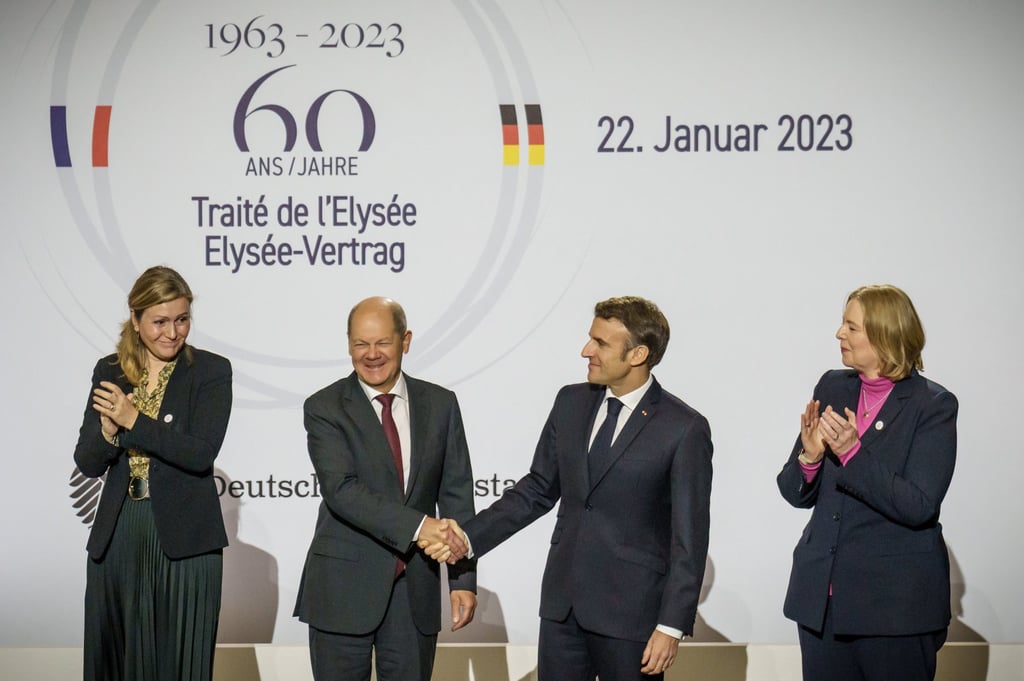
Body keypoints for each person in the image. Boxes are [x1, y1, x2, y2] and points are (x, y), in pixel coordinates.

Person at [425, 295, 713, 680]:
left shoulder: (683, 427)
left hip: (633, 619)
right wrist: (466, 538)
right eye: (590, 338)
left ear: (638, 354)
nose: (586, 350)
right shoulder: (571, 401)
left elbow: (689, 538)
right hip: (562, 610)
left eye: (601, 343)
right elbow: (537, 490)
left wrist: (671, 626)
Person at [777, 284, 958, 681]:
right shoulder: (832, 386)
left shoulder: (933, 405)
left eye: (851, 327)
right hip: (821, 604)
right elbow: (793, 491)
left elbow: (919, 505)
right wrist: (810, 457)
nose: (839, 333)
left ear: (884, 334)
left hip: (894, 609)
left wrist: (853, 454)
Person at [294, 296, 477, 681]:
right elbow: (341, 491)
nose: (371, 354)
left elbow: (456, 494)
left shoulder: (441, 403)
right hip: (342, 589)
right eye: (360, 344)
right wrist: (421, 527)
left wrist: (462, 578)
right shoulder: (325, 406)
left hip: (415, 590)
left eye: (382, 342)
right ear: (348, 344)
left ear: (405, 341)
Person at [73, 265, 233, 681]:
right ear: (135, 317)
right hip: (120, 532)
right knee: (117, 659)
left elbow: (200, 453)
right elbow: (88, 462)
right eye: (160, 321)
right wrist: (108, 431)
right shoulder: (109, 370)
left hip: (185, 540)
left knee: (178, 663)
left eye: (182, 320)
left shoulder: (211, 371)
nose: (173, 332)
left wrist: (132, 420)